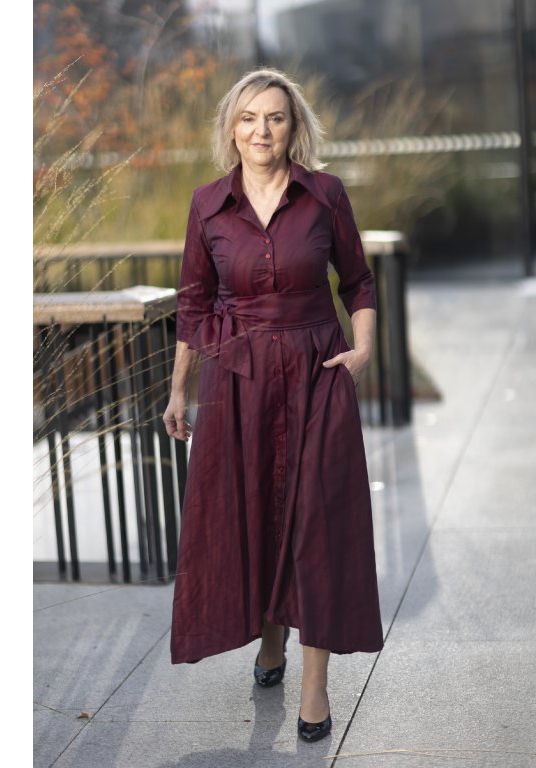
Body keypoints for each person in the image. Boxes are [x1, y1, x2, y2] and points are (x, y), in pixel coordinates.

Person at [163, 68, 383, 744]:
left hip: (317, 372)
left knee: (318, 520)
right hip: (238, 380)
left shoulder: (325, 196)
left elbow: (359, 281)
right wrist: (179, 388)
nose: (262, 130)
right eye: (250, 118)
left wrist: (363, 350)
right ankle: (270, 636)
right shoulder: (207, 205)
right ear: (232, 128)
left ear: (294, 128)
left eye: (276, 118)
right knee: (254, 514)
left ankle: (315, 685)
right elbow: (194, 302)